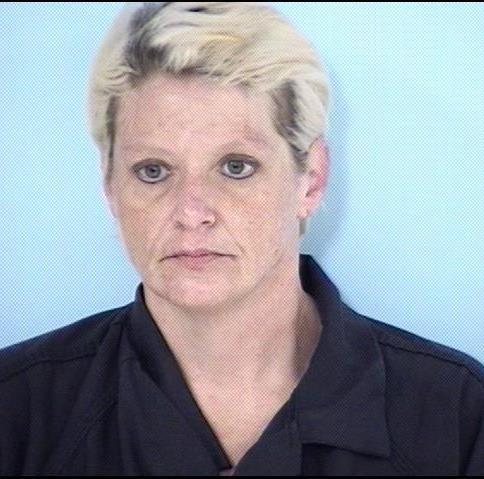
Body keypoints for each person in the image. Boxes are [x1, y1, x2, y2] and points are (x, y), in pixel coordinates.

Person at [0, 2, 482, 476]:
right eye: (153, 171)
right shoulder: (17, 410)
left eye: (236, 167)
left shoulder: (457, 418)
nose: (192, 213)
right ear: (110, 187)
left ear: (311, 180)